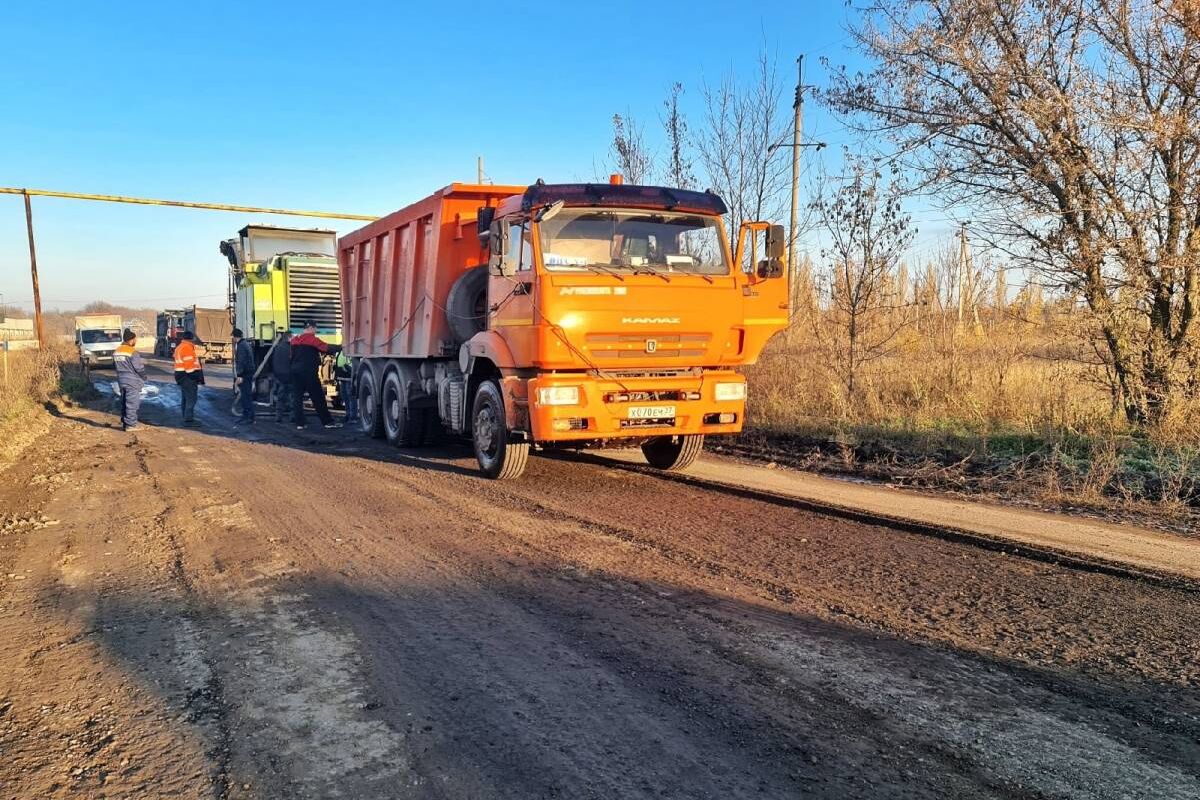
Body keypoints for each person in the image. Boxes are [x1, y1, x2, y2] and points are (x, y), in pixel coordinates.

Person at [289, 322, 340, 430]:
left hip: (295, 372)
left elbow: (291, 356)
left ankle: (300, 423)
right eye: (315, 329)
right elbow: (326, 348)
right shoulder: (312, 339)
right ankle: (327, 422)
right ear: (310, 328)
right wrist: (341, 347)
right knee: (318, 397)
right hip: (309, 372)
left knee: (297, 398)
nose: (316, 331)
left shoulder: (294, 340)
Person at [113, 328, 147, 431]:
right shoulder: (132, 352)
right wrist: (144, 376)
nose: (136, 341)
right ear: (131, 340)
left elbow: (114, 365)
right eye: (135, 339)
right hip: (132, 381)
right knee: (132, 403)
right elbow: (138, 368)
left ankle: (125, 422)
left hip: (121, 380)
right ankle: (130, 425)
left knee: (124, 402)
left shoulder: (117, 351)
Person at [174, 330, 204, 427]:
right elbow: (189, 367)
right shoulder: (187, 348)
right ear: (191, 339)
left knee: (185, 397)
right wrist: (195, 376)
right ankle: (188, 419)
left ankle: (185, 417)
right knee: (191, 398)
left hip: (181, 375)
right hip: (187, 376)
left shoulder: (180, 346)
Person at [232, 328, 256, 425]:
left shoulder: (241, 346)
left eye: (232, 336)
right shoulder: (245, 344)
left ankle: (249, 417)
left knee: (245, 396)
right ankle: (247, 415)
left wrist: (240, 375)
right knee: (246, 395)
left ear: (235, 336)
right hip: (248, 373)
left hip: (245, 374)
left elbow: (241, 361)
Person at [269, 330, 293, 423]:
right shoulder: (291, 348)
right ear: (289, 337)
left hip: (279, 377)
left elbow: (273, 361)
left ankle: (278, 417)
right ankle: (292, 417)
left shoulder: (277, 347)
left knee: (280, 398)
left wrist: (276, 374)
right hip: (290, 377)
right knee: (292, 397)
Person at [335, 349, 357, 425]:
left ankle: (353, 417)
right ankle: (347, 415)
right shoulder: (341, 350)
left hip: (349, 377)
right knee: (345, 397)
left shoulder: (350, 350)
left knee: (350, 397)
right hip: (342, 377)